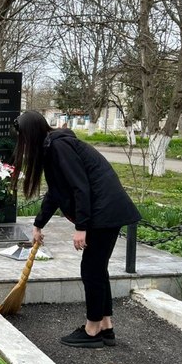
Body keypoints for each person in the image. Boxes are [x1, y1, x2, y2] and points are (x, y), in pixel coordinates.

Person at [12, 111, 140, 348]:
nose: (23, 144)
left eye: (23, 138)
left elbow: (80, 186)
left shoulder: (59, 147)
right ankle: (105, 326)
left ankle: (92, 330)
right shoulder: (52, 147)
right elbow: (56, 192)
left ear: (31, 133)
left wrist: (81, 226)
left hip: (104, 212)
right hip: (106, 211)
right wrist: (39, 223)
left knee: (91, 270)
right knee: (97, 269)